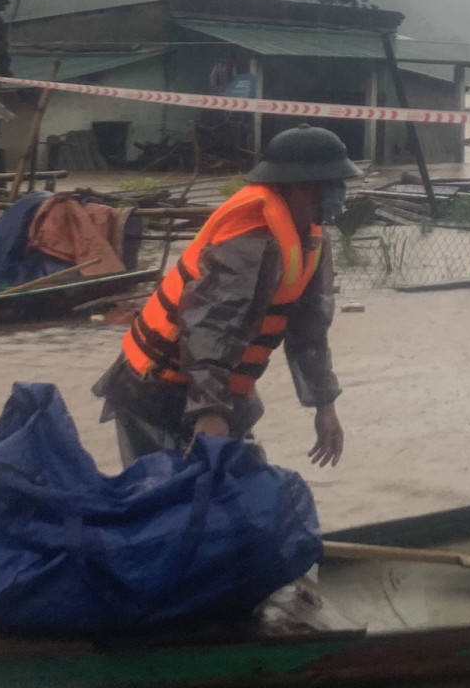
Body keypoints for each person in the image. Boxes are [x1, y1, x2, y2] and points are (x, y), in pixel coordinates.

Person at [94, 125, 355, 469]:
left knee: (236, 497)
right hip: (157, 391)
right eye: (334, 183)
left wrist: (325, 406)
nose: (342, 192)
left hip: (215, 392)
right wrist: (209, 413)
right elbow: (210, 324)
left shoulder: (310, 237)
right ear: (303, 184)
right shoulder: (249, 234)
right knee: (171, 505)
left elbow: (309, 331)